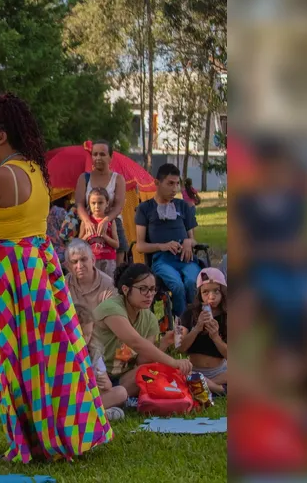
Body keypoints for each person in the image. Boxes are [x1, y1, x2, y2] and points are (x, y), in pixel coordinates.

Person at [0, 92, 110, 463]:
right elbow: (10, 209)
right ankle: (59, 432)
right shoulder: (35, 169)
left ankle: (26, 442)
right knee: (49, 353)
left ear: (2, 135)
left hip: (9, 273)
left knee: (12, 357)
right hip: (39, 268)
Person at [92, 264, 192, 397]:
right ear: (126, 289)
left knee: (149, 371)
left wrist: (164, 343)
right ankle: (111, 400)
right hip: (95, 375)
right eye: (143, 289)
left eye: (152, 289)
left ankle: (115, 399)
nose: (149, 294)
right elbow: (135, 342)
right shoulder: (111, 307)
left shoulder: (150, 319)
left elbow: (141, 360)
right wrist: (174, 362)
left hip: (122, 378)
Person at [134, 163, 202, 318]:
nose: (175, 189)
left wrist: (187, 242)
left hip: (186, 258)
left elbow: (193, 240)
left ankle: (194, 320)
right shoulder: (145, 208)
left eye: (177, 184)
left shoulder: (183, 206)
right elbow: (140, 246)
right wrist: (162, 246)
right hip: (162, 260)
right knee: (177, 285)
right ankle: (183, 322)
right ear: (157, 183)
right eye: (170, 183)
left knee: (192, 283)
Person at [74, 140, 128, 261]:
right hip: (88, 223)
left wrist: (106, 220)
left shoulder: (118, 179)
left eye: (102, 154)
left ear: (110, 157)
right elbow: (79, 205)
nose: (98, 157)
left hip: (113, 222)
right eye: (95, 154)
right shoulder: (84, 178)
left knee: (118, 260)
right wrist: (87, 222)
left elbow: (119, 206)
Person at [74, 303, 128, 421]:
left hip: (91, 398)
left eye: (88, 334)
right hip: (72, 400)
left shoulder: (93, 353)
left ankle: (92, 413)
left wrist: (103, 383)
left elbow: (107, 385)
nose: (85, 339)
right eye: (81, 334)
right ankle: (97, 414)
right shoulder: (66, 353)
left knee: (121, 392)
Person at [178, 267, 227, 395]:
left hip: (221, 371)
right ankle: (218, 388)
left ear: (223, 292)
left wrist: (216, 337)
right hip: (194, 369)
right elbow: (179, 347)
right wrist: (197, 328)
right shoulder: (187, 313)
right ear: (199, 294)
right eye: (206, 292)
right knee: (179, 373)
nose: (212, 297)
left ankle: (205, 384)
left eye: (216, 291)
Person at [65, 239, 116, 312]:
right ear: (68, 267)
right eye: (74, 262)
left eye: (83, 259)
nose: (80, 266)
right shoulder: (63, 285)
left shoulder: (108, 285)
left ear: (93, 260)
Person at [80, 188, 119, 278]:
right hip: (90, 261)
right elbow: (79, 243)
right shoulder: (86, 222)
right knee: (92, 285)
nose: (96, 206)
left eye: (100, 203)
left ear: (107, 203)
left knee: (108, 285)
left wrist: (105, 236)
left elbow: (116, 244)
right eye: (93, 203)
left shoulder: (110, 221)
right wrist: (87, 236)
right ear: (89, 204)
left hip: (108, 260)